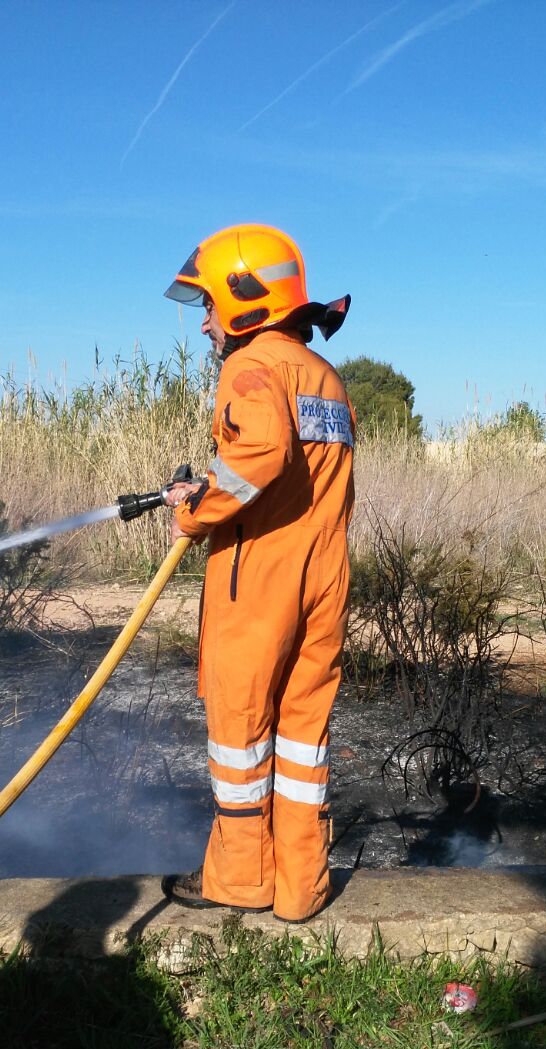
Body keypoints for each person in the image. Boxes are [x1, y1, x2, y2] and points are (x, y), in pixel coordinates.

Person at [158, 224, 354, 923]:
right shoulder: (324, 377)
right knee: (302, 738)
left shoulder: (251, 367)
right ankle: (300, 890)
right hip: (324, 574)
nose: (205, 322)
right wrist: (211, 485)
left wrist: (195, 512)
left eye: (210, 304)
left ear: (247, 300)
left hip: (260, 576)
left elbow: (262, 453)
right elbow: (291, 468)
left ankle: (242, 880)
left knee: (240, 734)